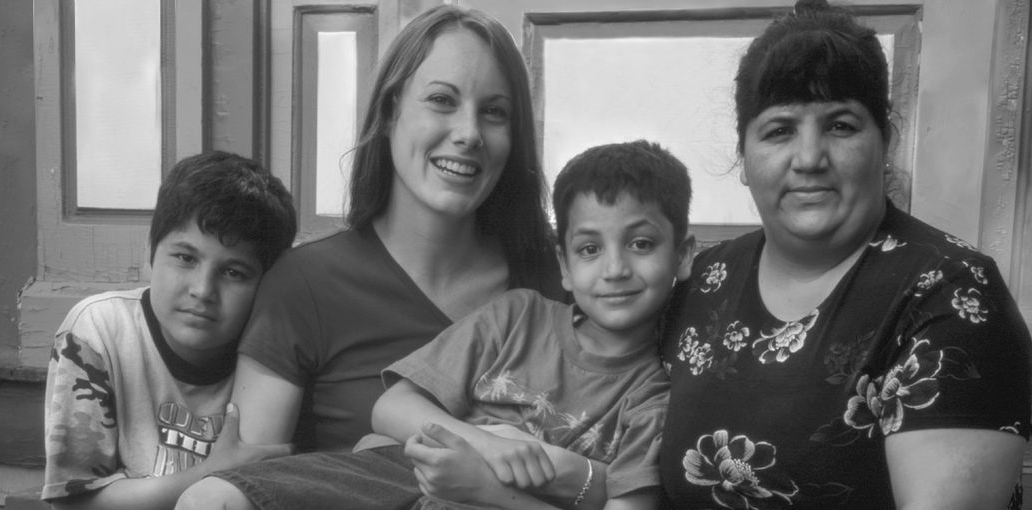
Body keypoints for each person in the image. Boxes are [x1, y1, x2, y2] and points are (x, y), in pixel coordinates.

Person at [178, 3, 575, 506]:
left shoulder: (560, 278)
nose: (470, 133)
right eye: (442, 100)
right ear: (389, 112)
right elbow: (250, 481)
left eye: (494, 111)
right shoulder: (304, 285)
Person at [657, 1, 1032, 509]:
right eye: (779, 130)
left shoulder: (951, 294)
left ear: (887, 144)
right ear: (743, 157)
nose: (810, 158)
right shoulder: (702, 280)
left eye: (840, 126)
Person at [181, 140, 696, 510]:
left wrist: (489, 487)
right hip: (401, 475)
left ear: (685, 255)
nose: (615, 269)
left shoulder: (656, 395)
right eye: (589, 249)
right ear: (563, 265)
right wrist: (488, 446)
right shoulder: (519, 314)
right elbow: (393, 406)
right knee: (213, 498)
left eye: (642, 244)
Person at [40, 151, 299, 510]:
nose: (203, 290)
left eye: (233, 272)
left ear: (266, 283)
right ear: (150, 249)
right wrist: (213, 473)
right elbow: (76, 502)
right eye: (185, 258)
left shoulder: (276, 353)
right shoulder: (98, 332)